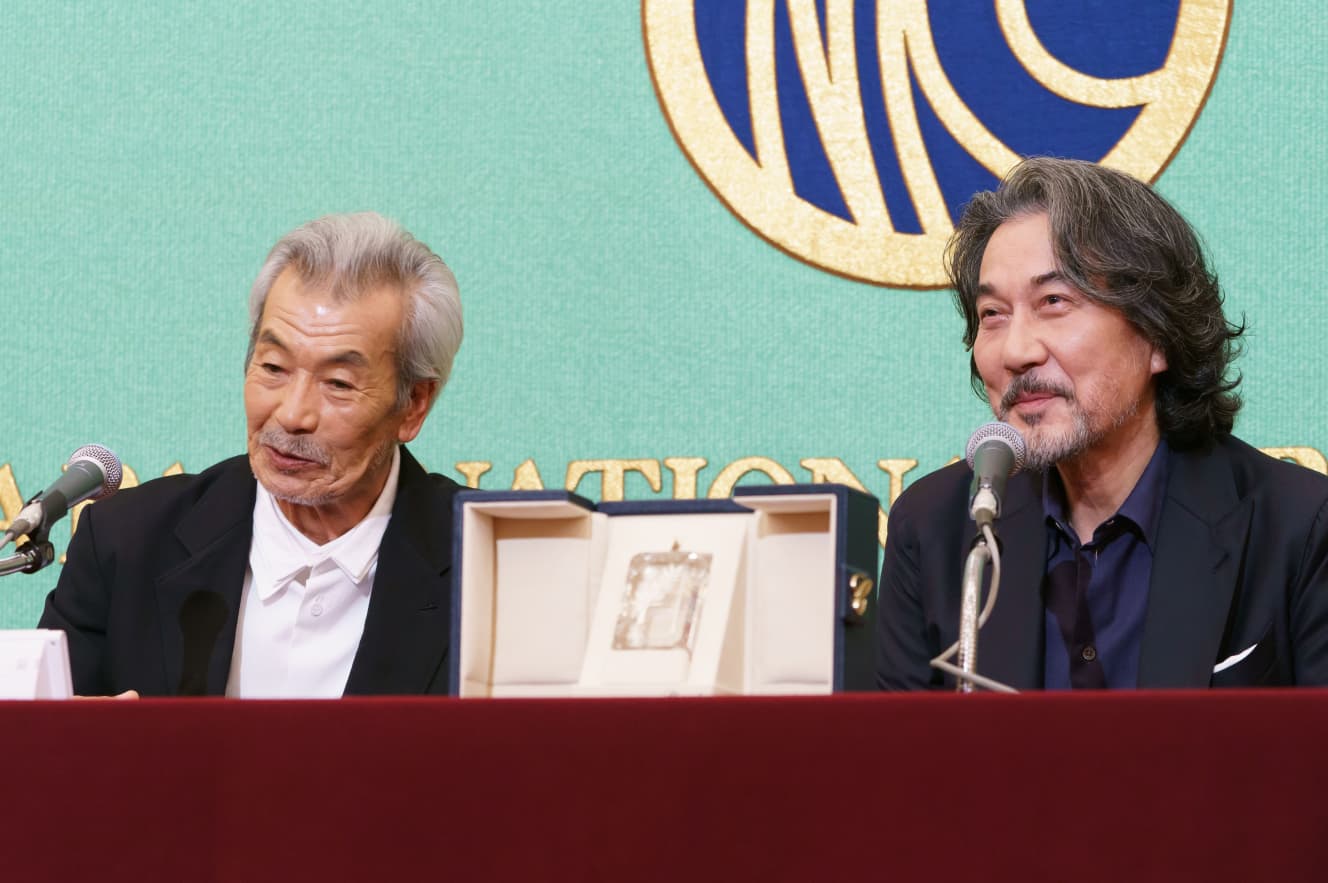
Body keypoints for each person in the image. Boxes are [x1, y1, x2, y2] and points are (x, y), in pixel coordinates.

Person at [876, 157, 1328, 690]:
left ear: (1157, 335)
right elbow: (896, 745)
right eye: (993, 314)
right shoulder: (934, 530)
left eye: (1053, 302)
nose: (1016, 351)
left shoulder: (1297, 526)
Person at [39, 212, 465, 696]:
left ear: (413, 405)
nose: (292, 414)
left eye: (338, 383)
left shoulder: (485, 570)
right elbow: (36, 738)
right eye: (274, 367)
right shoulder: (126, 545)